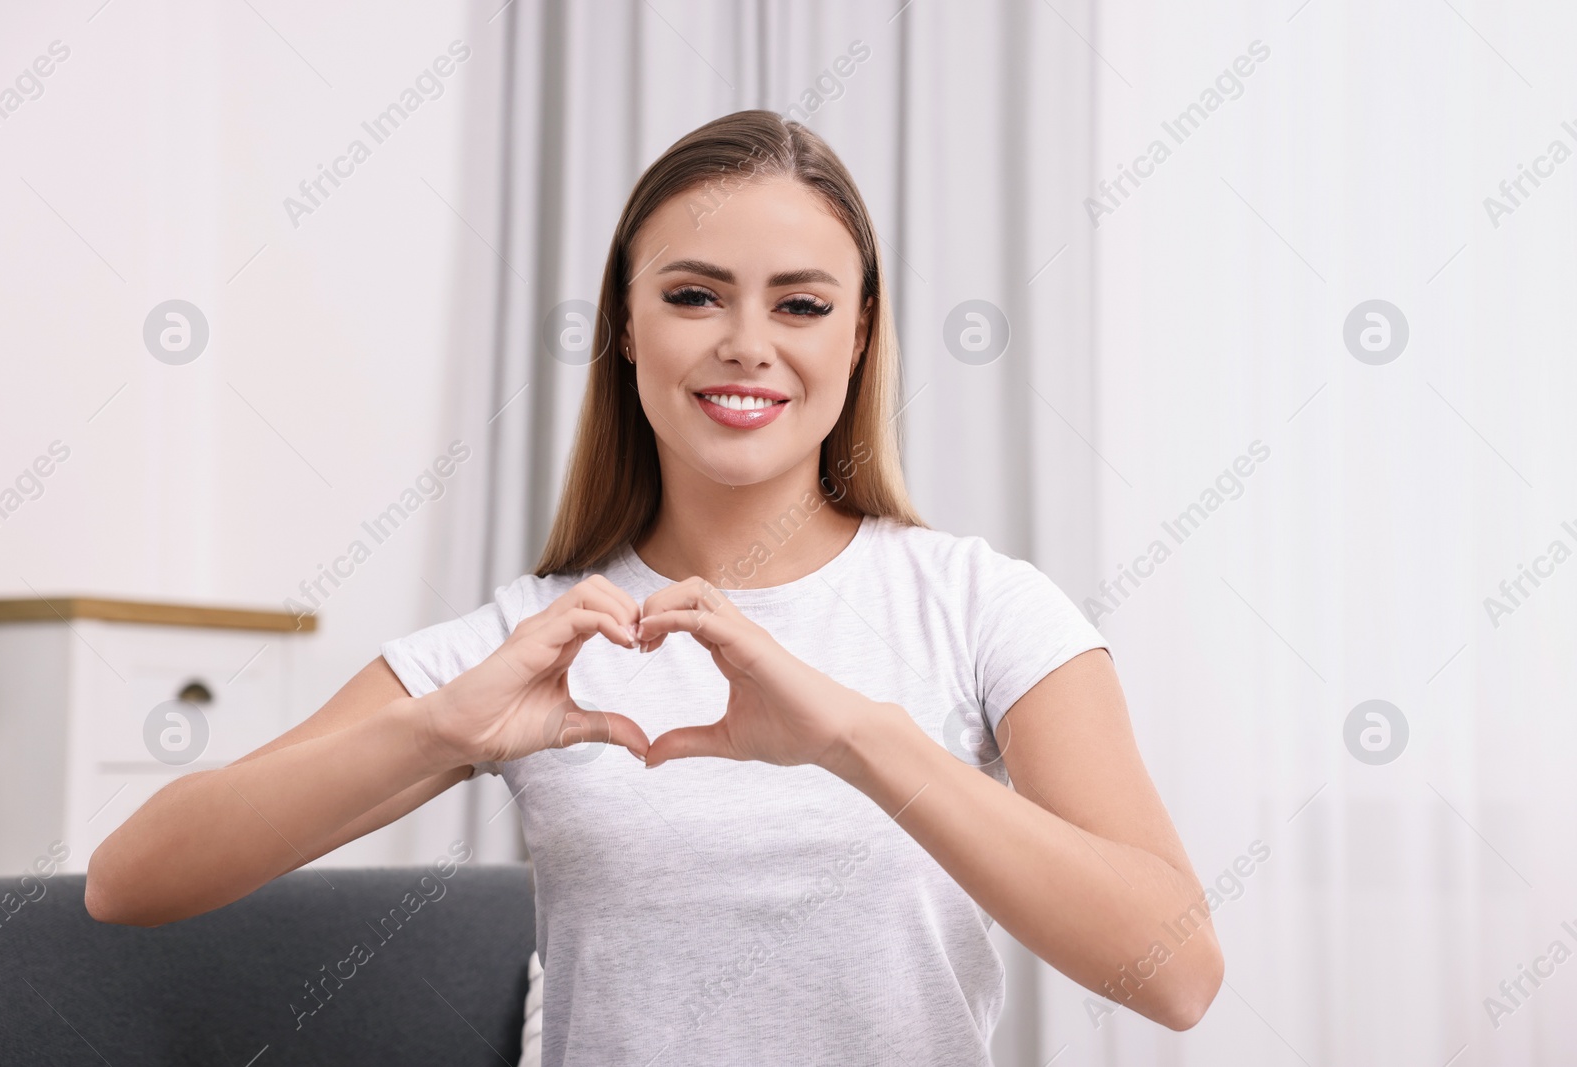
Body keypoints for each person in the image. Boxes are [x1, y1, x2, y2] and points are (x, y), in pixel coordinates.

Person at [87, 109, 1222, 1063]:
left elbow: (1174, 974)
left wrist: (860, 741)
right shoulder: (527, 638)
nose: (745, 342)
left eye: (800, 303)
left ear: (861, 332)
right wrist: (438, 729)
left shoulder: (983, 606)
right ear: (625, 328)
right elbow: (129, 881)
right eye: (693, 295)